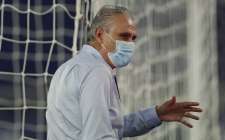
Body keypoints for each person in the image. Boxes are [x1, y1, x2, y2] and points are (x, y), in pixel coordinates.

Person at [46, 5, 202, 140]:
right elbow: (99, 136)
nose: (130, 44)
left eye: (133, 38)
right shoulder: (97, 72)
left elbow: (110, 127)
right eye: (124, 36)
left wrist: (157, 114)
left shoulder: (67, 68)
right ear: (100, 35)